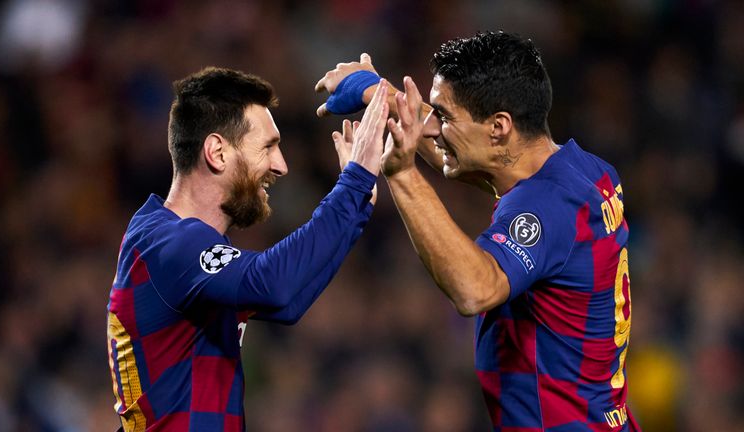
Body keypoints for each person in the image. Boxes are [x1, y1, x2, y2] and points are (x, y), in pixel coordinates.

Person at [316, 32, 641, 431]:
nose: (432, 128)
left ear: (499, 127)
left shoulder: (546, 206)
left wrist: (401, 175)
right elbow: (464, 159)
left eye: (445, 116)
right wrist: (378, 94)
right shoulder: (585, 171)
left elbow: (476, 289)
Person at [107, 67, 389, 431]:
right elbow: (274, 284)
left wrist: (356, 207)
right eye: (268, 147)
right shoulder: (170, 244)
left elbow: (287, 301)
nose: (281, 165)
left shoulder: (176, 245)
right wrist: (354, 183)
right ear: (217, 153)